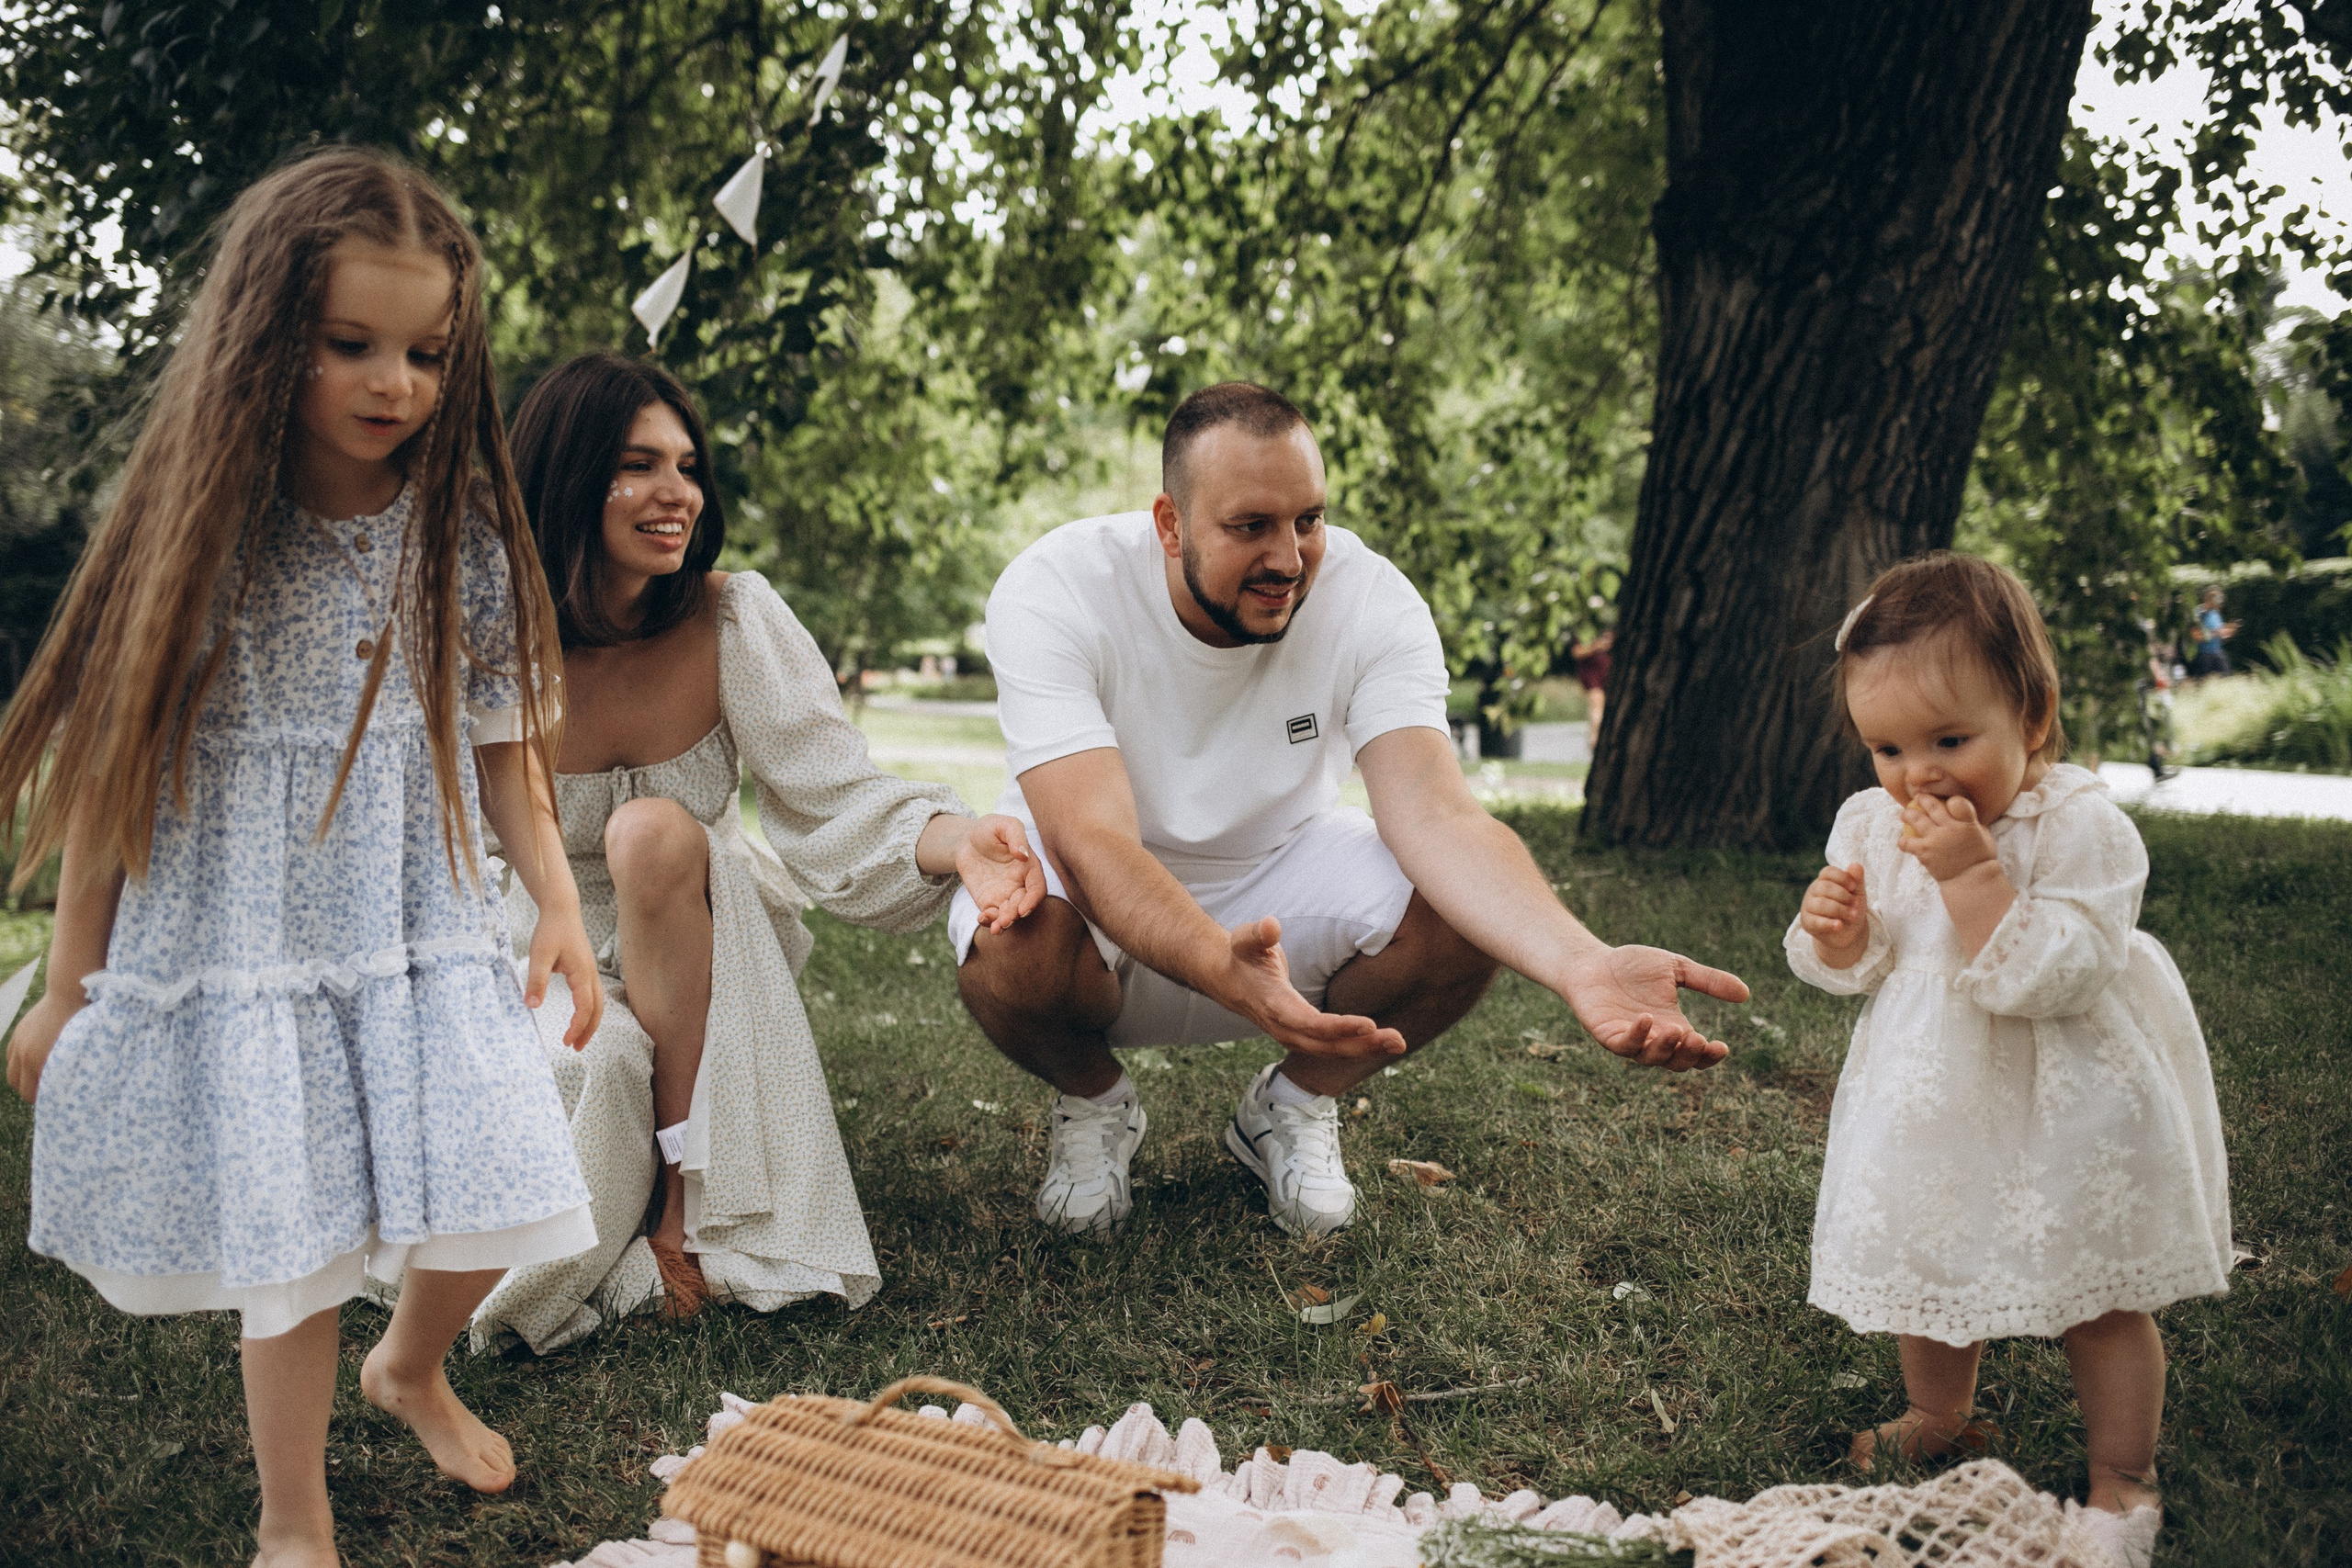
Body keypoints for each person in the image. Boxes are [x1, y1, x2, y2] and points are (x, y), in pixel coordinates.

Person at [0, 149, 602, 1564]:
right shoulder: (203, 529)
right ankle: (294, 1512)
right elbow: (113, 772)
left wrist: (560, 898)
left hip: (418, 918)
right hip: (250, 933)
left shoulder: (464, 535)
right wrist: (68, 974)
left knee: (504, 1175)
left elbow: (508, 748)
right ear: (269, 336)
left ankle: (411, 1363)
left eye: (427, 352)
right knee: (296, 1247)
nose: (395, 381)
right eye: (353, 346)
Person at [954, 381, 1748, 1240]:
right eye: (1250, 526)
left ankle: (1292, 1104)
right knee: (1009, 940)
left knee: (1457, 911)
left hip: (1278, 867)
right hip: (1101, 886)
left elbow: (1438, 816)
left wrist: (1580, 960)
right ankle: (1097, 1101)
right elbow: (1090, 837)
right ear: (1170, 524)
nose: (1289, 558)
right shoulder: (1058, 586)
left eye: (1309, 519)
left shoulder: (1374, 599)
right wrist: (1222, 964)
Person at [468, 353, 1045, 1351]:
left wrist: (961, 843)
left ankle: (684, 1208)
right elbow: (454, 849)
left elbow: (832, 792)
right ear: (566, 476)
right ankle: (574, 1241)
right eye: (638, 465)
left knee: (650, 829)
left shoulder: (731, 617)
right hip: (540, 942)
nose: (676, 494)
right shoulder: (494, 642)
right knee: (599, 1068)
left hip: (697, 921)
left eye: (687, 467)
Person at [1790, 553, 2231, 1568]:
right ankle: (1935, 1409)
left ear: (2030, 716)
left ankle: (2122, 1466)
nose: (1917, 773)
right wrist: (1839, 934)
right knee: (1928, 1251)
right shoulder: (1872, 823)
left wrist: (1975, 877)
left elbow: (2059, 973)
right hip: (1934, 1097)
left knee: (2097, 1292)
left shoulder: (2078, 827)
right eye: (1888, 747)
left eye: (1950, 739)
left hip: (2069, 1102)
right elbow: (1859, 968)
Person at [1570, 626, 1614, 737]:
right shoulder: (1585, 630)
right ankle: (1596, 740)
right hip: (1592, 679)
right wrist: (1596, 647)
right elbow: (1577, 652)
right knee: (1596, 710)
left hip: (1608, 678)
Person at [2186, 584, 2236, 680]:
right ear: (2208, 599)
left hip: (2217, 652)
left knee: (2227, 679)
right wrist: (2216, 633)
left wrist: (2229, 630)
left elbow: (2221, 634)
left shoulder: (2215, 613)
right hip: (2204, 655)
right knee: (2203, 683)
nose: (2219, 603)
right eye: (2217, 599)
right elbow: (2196, 635)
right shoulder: (2198, 612)